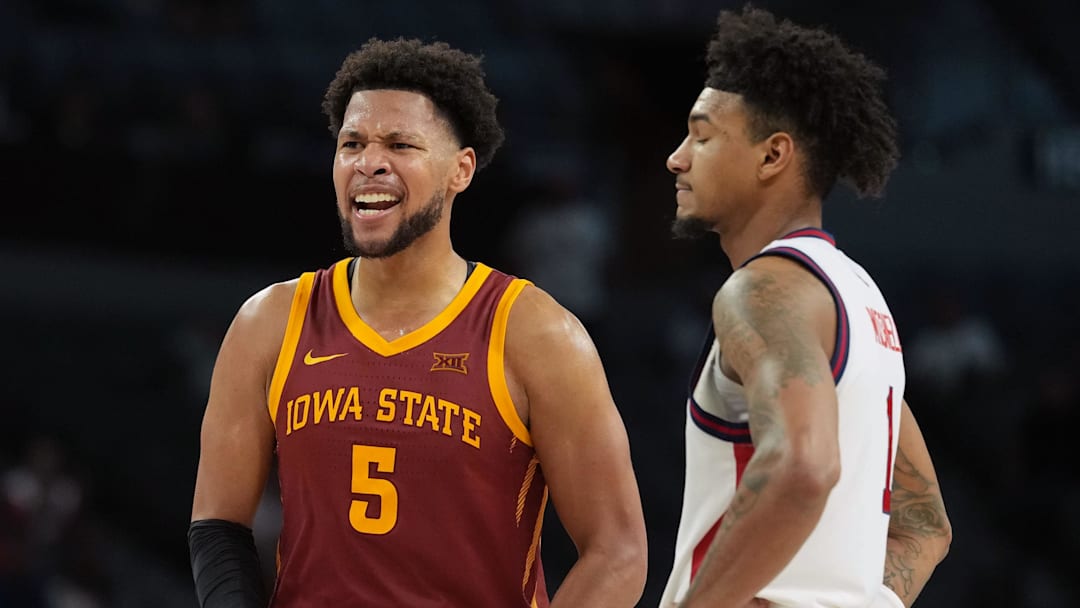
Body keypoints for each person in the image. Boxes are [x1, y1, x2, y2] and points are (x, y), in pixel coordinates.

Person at [187, 37, 648, 607]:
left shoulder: (536, 334)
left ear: (461, 170)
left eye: (400, 144)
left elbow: (618, 551)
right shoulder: (269, 322)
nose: (369, 162)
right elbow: (218, 524)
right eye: (352, 143)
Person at [658, 7, 951, 608]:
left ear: (773, 156)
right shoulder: (859, 296)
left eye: (702, 136)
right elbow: (925, 526)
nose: (677, 158)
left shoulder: (763, 291)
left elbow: (804, 466)